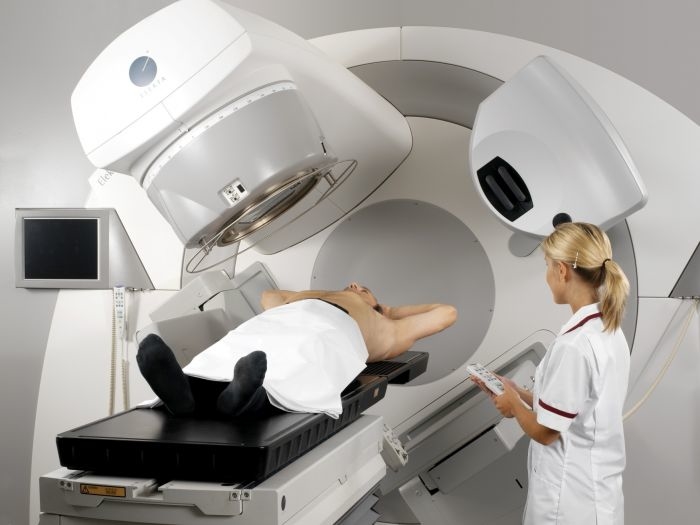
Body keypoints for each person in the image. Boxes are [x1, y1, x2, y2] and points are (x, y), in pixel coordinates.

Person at [472, 222, 630, 525]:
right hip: (596, 493)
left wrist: (513, 406)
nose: (546, 276)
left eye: (547, 265)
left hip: (569, 501)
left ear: (562, 270)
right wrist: (517, 392)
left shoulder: (574, 345)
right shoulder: (607, 329)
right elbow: (575, 407)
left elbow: (546, 432)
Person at [138, 282, 457, 419]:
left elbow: (446, 313)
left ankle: (240, 398)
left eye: (364, 288)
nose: (354, 284)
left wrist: (388, 310)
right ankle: (183, 395)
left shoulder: (387, 328)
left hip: (330, 334)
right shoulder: (303, 297)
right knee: (239, 346)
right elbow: (269, 295)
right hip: (276, 322)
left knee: (291, 361)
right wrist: (324, 294)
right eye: (350, 285)